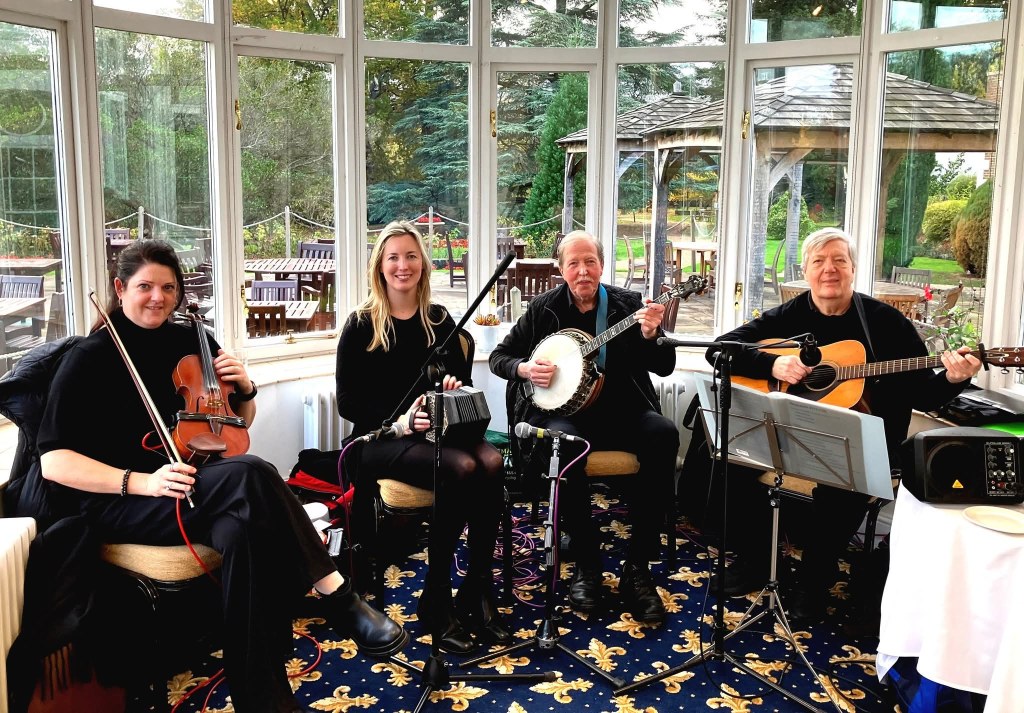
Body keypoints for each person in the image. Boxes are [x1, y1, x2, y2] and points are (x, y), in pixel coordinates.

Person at [35, 239, 406, 713]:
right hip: (126, 499)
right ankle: (337, 594)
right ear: (120, 288)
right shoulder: (89, 357)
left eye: (168, 287)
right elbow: (54, 462)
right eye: (145, 286)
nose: (158, 297)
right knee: (252, 473)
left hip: (199, 488)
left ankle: (265, 701)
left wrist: (245, 388)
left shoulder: (192, 340)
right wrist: (143, 481)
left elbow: (233, 430)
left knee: (242, 529)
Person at [702, 227, 981, 622]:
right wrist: (772, 364)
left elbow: (924, 396)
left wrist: (955, 378)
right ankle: (759, 560)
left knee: (843, 485)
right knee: (728, 462)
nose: (829, 269)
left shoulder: (886, 324)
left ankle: (814, 580)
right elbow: (719, 351)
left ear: (853, 268)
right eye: (819, 261)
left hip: (863, 441)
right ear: (805, 271)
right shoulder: (789, 315)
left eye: (839, 260)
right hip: (791, 433)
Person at [336, 220, 511, 654]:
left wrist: (452, 387)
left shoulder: (439, 319)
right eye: (393, 257)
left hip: (437, 433)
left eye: (411, 256)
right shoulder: (360, 324)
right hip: (379, 441)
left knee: (492, 462)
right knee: (462, 466)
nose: (403, 265)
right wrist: (401, 418)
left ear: (423, 264)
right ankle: (435, 597)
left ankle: (476, 589)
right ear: (380, 266)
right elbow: (349, 403)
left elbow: (461, 381)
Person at [489, 230, 679, 625]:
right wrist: (525, 368)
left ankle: (637, 569)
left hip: (623, 412)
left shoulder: (627, 305)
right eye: (573, 263)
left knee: (664, 434)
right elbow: (500, 357)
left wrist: (650, 335)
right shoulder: (543, 309)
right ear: (561, 269)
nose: (582, 271)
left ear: (602, 265)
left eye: (590, 261)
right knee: (563, 442)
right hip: (565, 415)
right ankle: (587, 563)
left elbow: (664, 366)